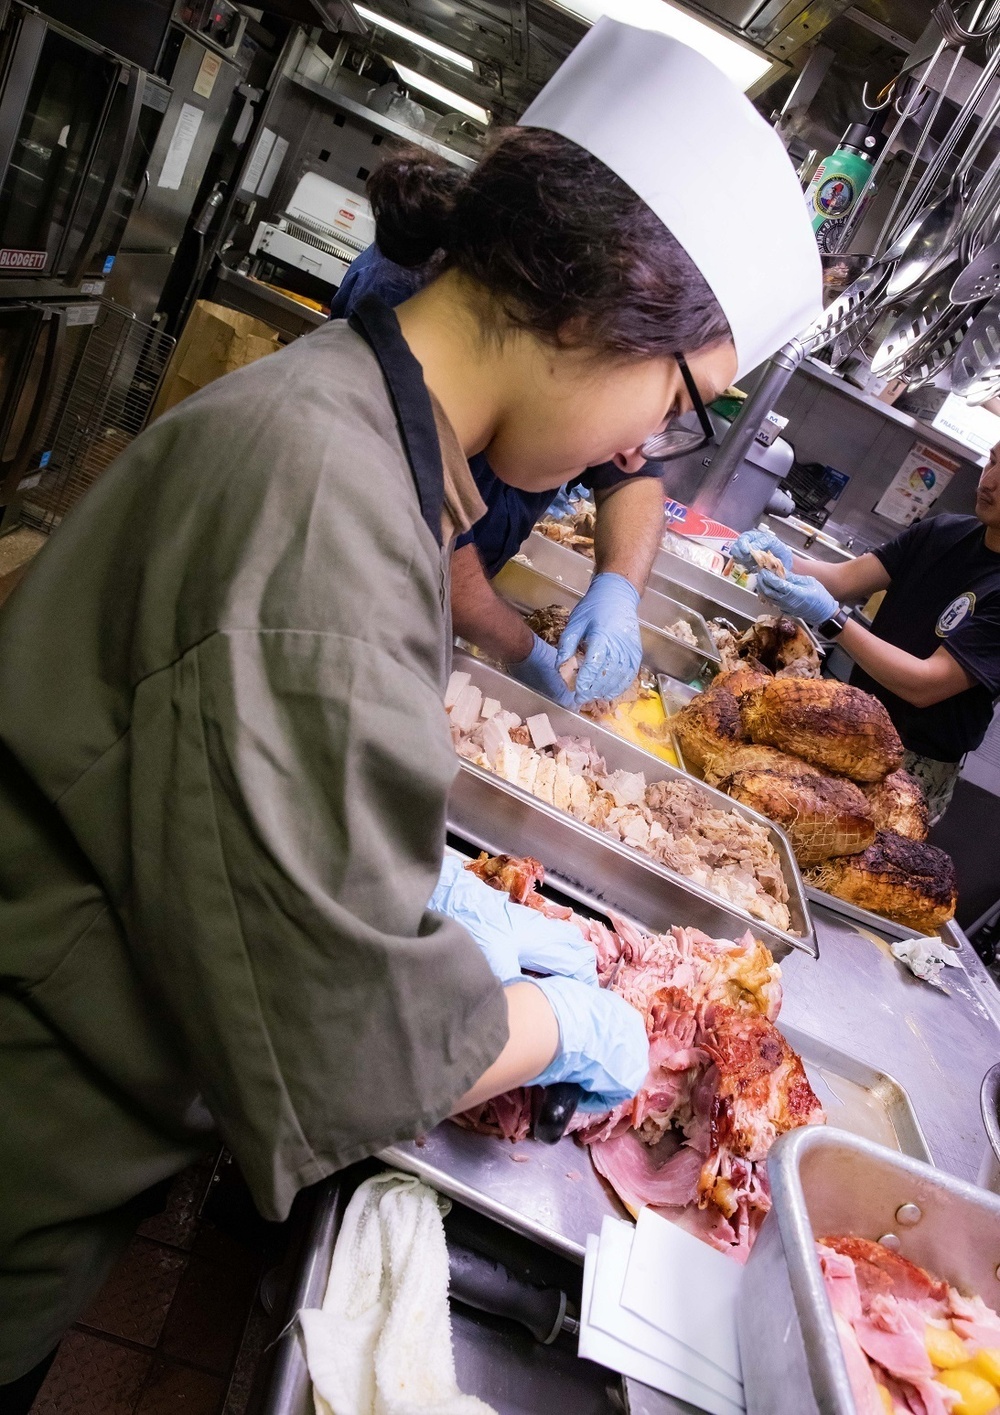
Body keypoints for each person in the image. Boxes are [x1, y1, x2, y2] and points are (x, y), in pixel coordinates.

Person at [0, 18, 820, 1395]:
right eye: (676, 406)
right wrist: (571, 1024)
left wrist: (428, 888)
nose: (637, 451)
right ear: (597, 312)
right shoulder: (329, 507)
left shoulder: (356, 432)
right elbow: (341, 1038)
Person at [333, 241, 669, 706]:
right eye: (670, 403)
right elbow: (426, 533)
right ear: (570, 333)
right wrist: (524, 652)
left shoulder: (578, 384)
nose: (632, 455)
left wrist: (620, 587)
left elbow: (633, 478)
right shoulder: (404, 325)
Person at [731, 446, 1000, 822]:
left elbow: (926, 685)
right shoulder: (944, 531)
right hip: (850, 723)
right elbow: (845, 579)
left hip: (912, 763)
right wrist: (783, 562)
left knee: (859, 865)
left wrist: (832, 620)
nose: (989, 481)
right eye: (993, 460)